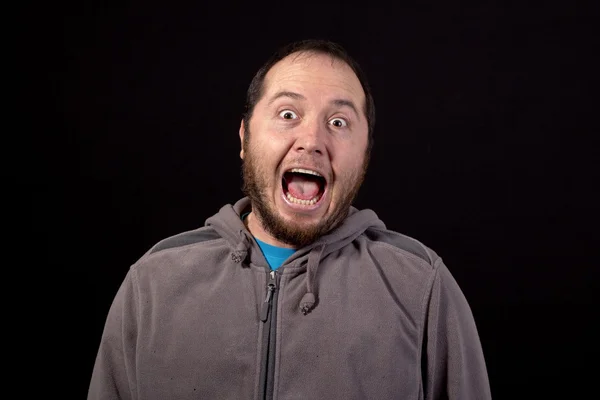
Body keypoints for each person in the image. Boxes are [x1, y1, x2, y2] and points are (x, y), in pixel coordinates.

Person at [88, 39, 492, 400]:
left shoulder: (422, 289)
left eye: (338, 123)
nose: (312, 141)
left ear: (365, 155)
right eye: (287, 114)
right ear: (245, 137)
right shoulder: (153, 284)